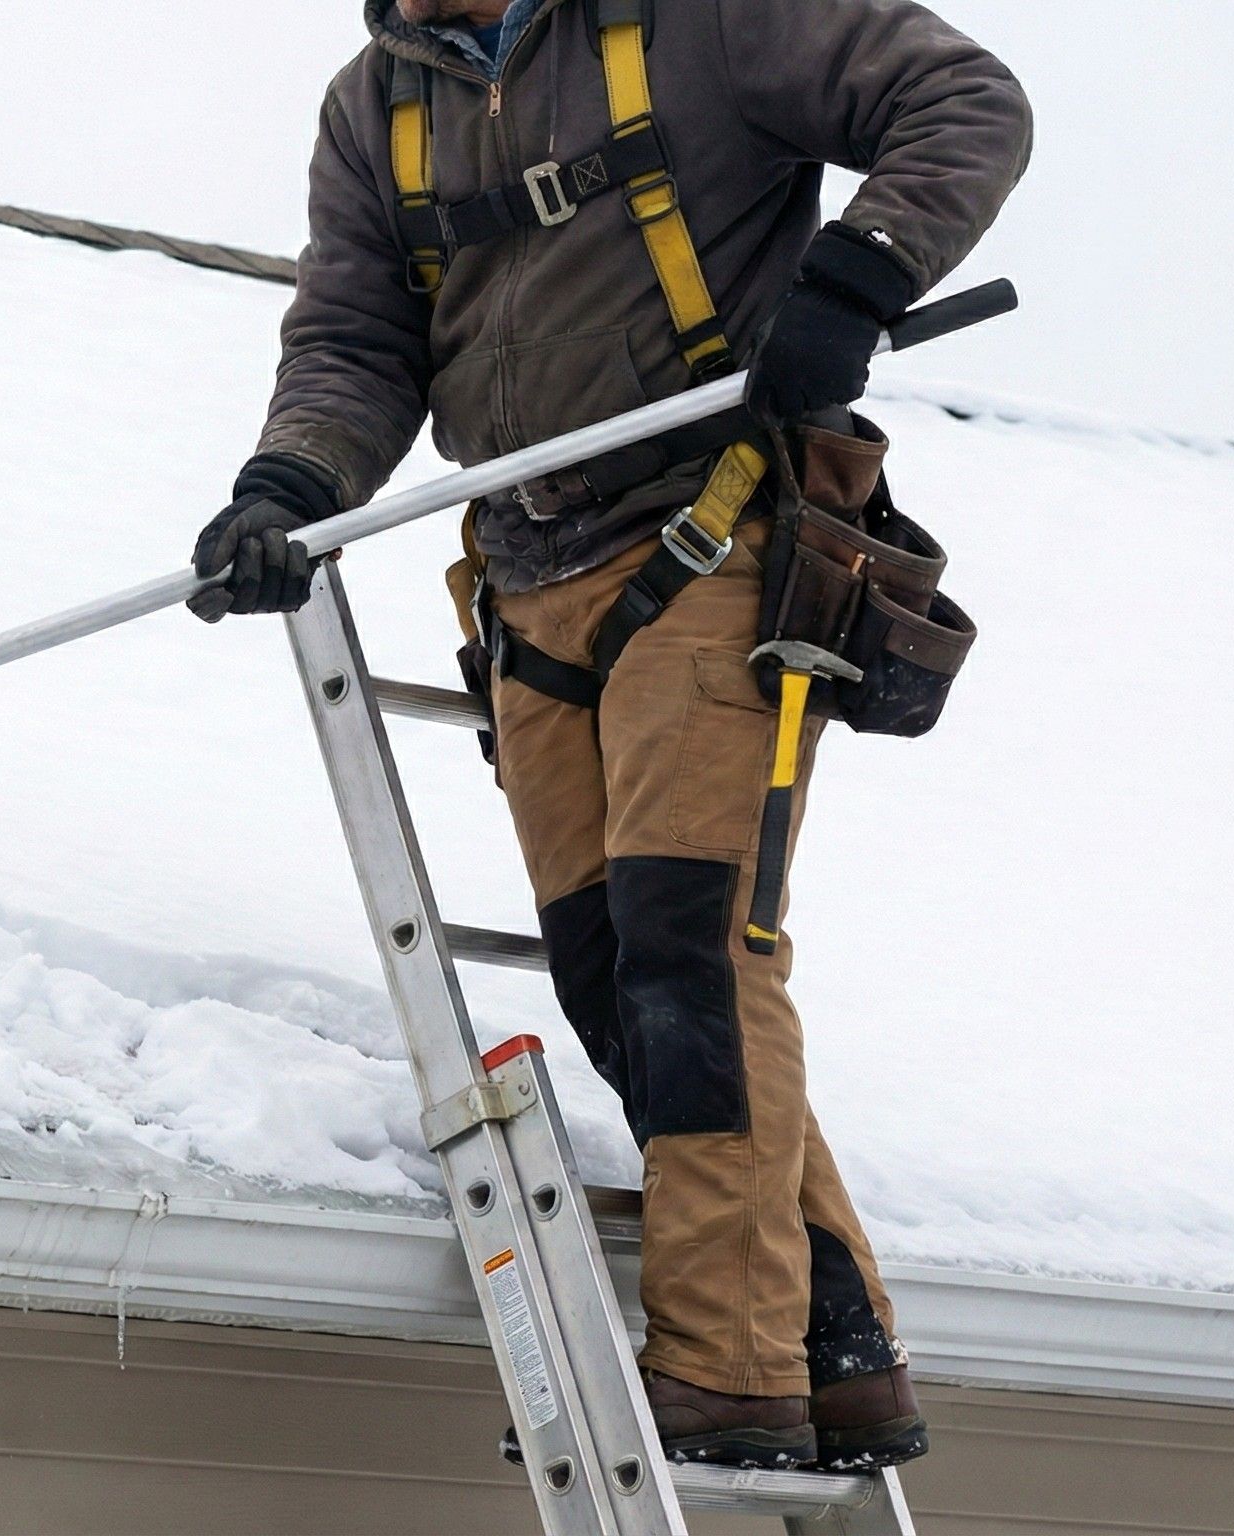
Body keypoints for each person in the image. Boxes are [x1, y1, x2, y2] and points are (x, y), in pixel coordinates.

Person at [190, 0, 1031, 1471]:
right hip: (526, 570)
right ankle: (836, 1353)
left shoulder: (708, 18)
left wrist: (858, 276)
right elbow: (353, 333)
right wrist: (286, 487)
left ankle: (725, 1373)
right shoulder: (372, 105)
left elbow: (964, 100)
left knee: (692, 956)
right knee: (609, 979)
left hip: (711, 535)